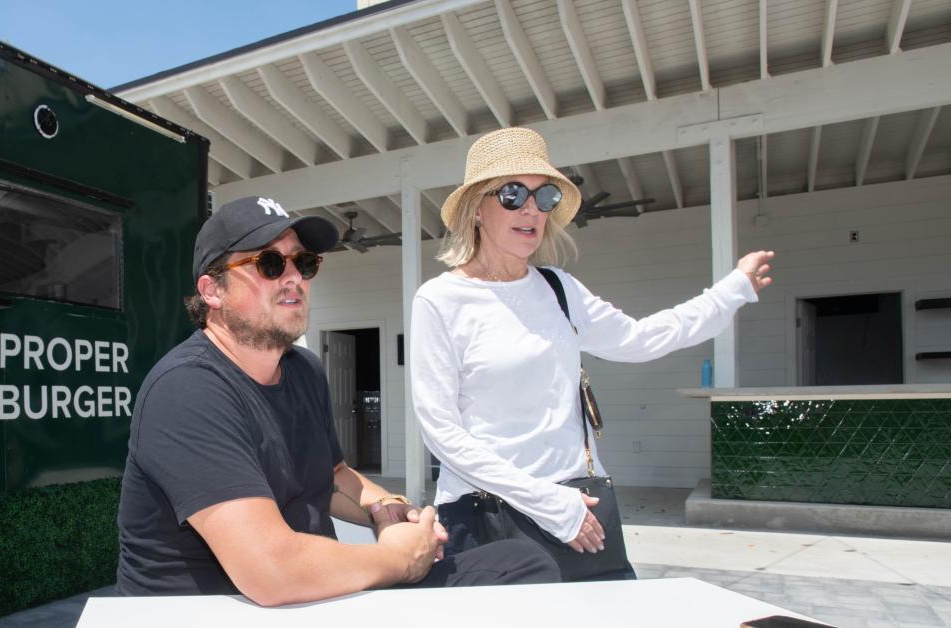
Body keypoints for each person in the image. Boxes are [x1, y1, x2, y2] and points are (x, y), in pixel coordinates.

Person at [116, 196, 560, 606]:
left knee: (524, 563)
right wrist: (399, 560)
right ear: (212, 290)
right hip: (225, 608)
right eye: (269, 263)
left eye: (303, 263)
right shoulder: (187, 390)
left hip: (312, 594)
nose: (293, 277)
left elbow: (331, 477)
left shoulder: (304, 370)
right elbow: (269, 571)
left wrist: (388, 511)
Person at [409, 127, 774, 580]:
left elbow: (642, 338)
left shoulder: (559, 290)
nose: (531, 209)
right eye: (512, 194)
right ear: (477, 209)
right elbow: (442, 432)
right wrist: (548, 503)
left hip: (580, 508)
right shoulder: (440, 300)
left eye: (544, 198)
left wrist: (730, 291)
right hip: (488, 515)